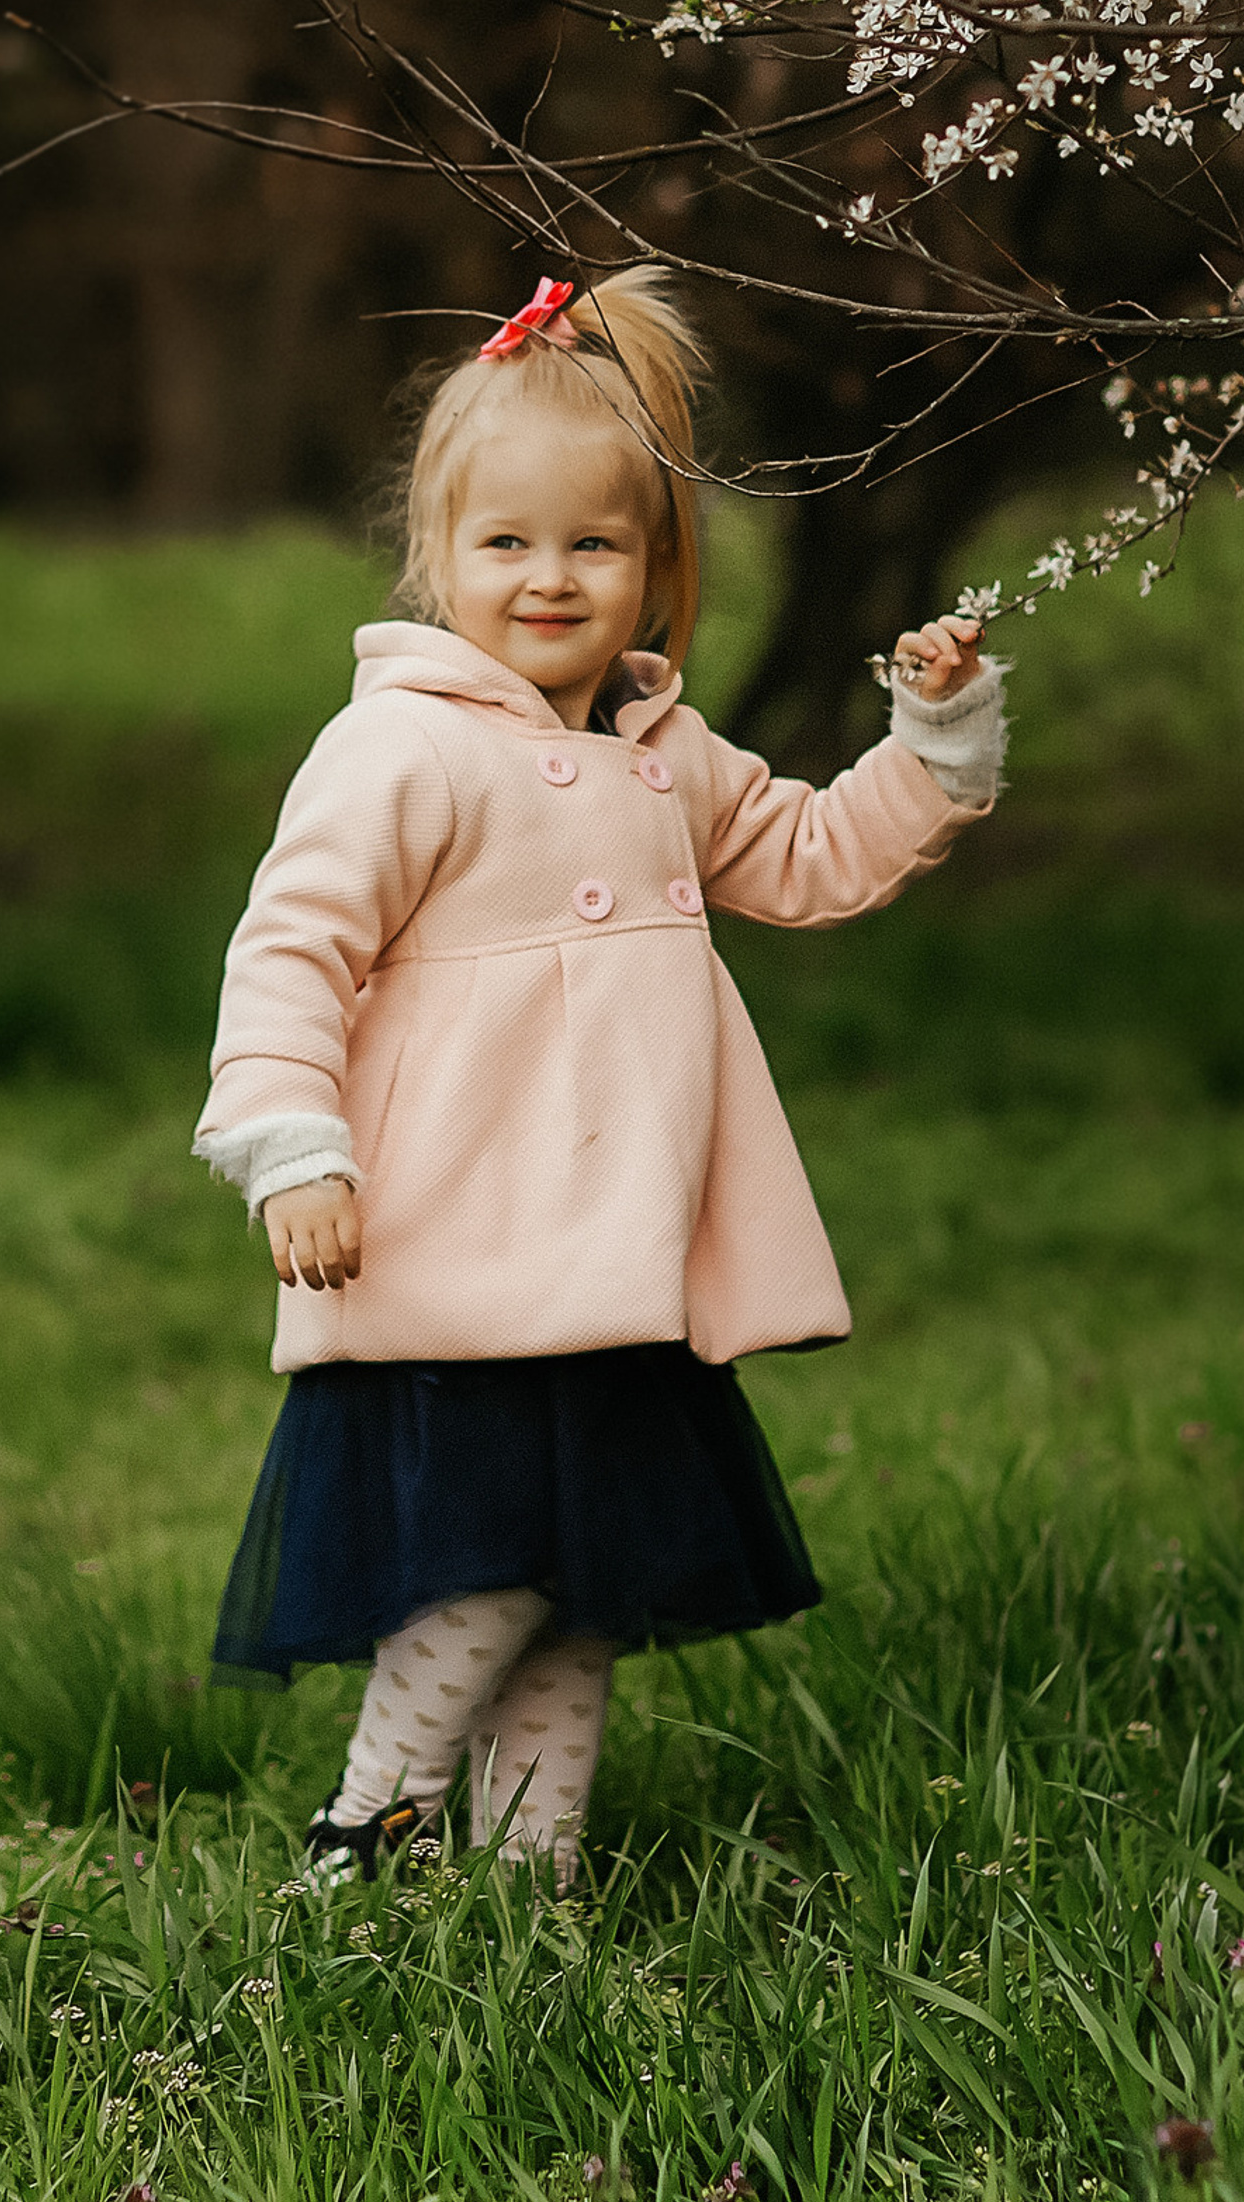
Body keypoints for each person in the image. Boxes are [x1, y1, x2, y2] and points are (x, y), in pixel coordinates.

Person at [194, 266, 1005, 1888]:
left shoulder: (667, 755)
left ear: (656, 569)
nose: (550, 580)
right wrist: (298, 1150)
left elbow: (816, 856)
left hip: (622, 1262)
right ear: (439, 560)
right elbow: (290, 953)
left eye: (595, 545)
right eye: (507, 544)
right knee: (484, 1565)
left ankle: (525, 1878)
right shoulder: (400, 750)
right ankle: (370, 1824)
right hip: (457, 1251)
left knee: (583, 1584)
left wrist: (937, 746)